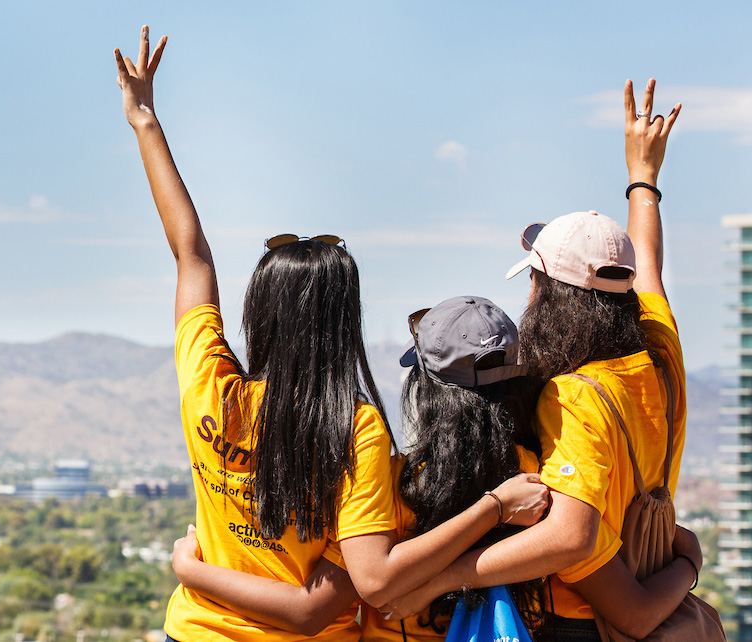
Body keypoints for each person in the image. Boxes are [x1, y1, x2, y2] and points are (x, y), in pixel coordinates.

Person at [113, 26, 547, 642]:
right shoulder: (356, 430)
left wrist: (145, 122)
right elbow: (321, 606)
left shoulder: (210, 384)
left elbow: (192, 258)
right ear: (345, 323)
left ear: (260, 311)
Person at [381, 79, 703, 642]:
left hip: (579, 619)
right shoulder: (660, 350)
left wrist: (444, 578)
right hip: (649, 579)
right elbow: (647, 260)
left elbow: (571, 536)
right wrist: (643, 178)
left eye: (534, 280)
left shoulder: (575, 395)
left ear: (550, 294)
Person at [173, 296, 549, 641]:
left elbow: (369, 581)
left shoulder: (394, 481)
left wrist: (193, 572)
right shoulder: (533, 475)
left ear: (426, 390)